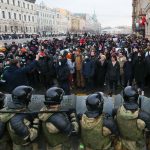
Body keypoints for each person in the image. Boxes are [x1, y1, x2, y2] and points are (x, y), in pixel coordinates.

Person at [6, 86, 39, 150]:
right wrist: (36, 122)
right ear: (26, 98)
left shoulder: (9, 110)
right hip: (23, 145)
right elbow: (30, 137)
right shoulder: (16, 119)